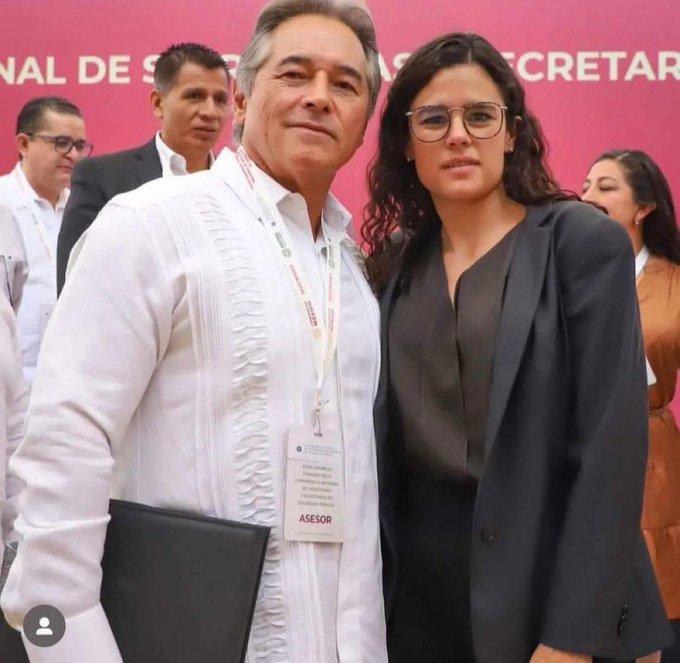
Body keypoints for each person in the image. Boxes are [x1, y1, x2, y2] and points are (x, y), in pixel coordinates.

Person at [1, 1, 387, 661]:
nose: (320, 97)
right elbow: (65, 449)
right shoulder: (151, 225)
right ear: (243, 97)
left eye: (346, 84)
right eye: (295, 74)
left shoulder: (350, 268)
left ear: (362, 124)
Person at [362, 32, 670, 663]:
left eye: (480, 116)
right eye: (433, 119)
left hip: (555, 588)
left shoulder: (581, 243)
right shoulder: (395, 261)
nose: (458, 135)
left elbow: (611, 452)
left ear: (511, 134)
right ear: (405, 141)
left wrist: (572, 637)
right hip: (419, 602)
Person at [583, 149, 680, 663]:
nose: (588, 196)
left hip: (653, 460)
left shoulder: (674, 283)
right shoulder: (567, 275)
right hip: (579, 453)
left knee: (657, 612)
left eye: (605, 187)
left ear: (643, 208)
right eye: (585, 186)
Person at [56, 42, 230, 293]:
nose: (209, 112)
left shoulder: (238, 186)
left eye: (220, 99)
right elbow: (75, 288)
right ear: (158, 103)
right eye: (195, 96)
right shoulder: (102, 178)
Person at [0, 97, 89, 383]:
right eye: (61, 143)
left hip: (69, 376)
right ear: (24, 144)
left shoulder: (85, 208)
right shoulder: (3, 202)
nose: (73, 155)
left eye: (80, 146)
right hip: (10, 378)